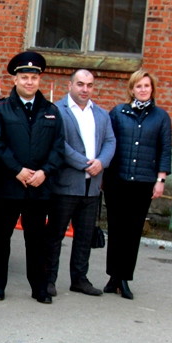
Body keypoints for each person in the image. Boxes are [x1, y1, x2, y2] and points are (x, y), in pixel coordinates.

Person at [0, 51, 64, 304]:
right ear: (15, 80)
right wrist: (17, 170)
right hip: (8, 184)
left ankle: (39, 287)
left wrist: (44, 172)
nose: (29, 82)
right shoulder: (0, 109)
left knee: (36, 240)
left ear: (39, 80)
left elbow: (58, 147)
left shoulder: (51, 111)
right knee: (1, 238)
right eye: (24, 77)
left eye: (34, 77)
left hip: (38, 187)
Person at [45, 69, 115, 297]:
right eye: (80, 84)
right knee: (55, 235)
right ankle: (48, 279)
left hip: (92, 187)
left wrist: (101, 162)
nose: (85, 89)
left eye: (89, 85)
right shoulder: (57, 111)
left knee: (84, 237)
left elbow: (110, 141)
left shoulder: (102, 114)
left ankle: (79, 279)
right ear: (70, 85)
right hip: (65, 185)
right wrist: (85, 164)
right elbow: (59, 144)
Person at [103, 70, 172, 299]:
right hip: (117, 180)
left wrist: (160, 180)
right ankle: (113, 276)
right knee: (116, 228)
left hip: (143, 183)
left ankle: (124, 277)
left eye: (146, 86)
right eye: (138, 86)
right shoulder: (118, 113)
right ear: (132, 89)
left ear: (152, 89)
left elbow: (165, 150)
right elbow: (109, 143)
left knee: (132, 231)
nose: (143, 90)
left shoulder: (161, 117)